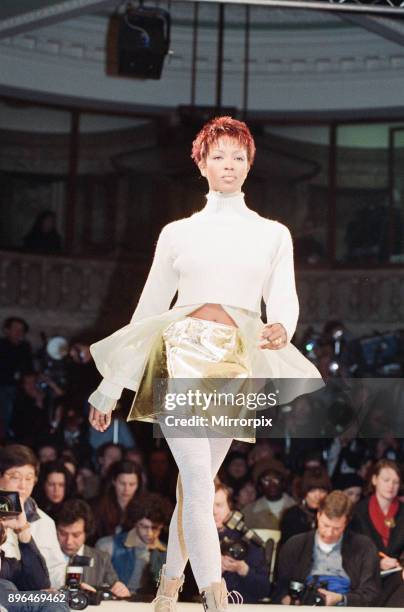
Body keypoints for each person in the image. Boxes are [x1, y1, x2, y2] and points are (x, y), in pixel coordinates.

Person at [87, 116, 323, 611]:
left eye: (239, 156)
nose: (230, 165)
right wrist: (111, 385)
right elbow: (148, 309)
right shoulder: (177, 233)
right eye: (219, 156)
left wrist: (283, 325)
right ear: (201, 163)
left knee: (194, 487)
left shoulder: (272, 234)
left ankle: (170, 583)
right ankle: (216, 594)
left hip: (235, 361)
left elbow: (284, 299)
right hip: (180, 352)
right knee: (197, 480)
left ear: (249, 162)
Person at [273, 490, 380, 606]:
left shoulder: (364, 547)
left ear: (347, 523)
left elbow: (371, 593)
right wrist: (286, 598)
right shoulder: (295, 545)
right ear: (318, 515)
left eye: (337, 528)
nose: (329, 533)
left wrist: (341, 598)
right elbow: (279, 586)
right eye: (325, 525)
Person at [0, 445, 66, 588]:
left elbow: (54, 575)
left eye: (29, 478)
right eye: (15, 477)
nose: (22, 485)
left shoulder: (46, 522)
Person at [350, 459, 404, 605]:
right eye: (386, 480)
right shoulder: (358, 512)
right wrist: (377, 562)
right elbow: (351, 551)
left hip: (399, 579)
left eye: (396, 482)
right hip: (366, 578)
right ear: (374, 479)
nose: (391, 486)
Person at [96, 493, 169, 596]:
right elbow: (95, 583)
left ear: (162, 526)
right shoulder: (108, 545)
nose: (149, 533)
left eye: (155, 527)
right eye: (143, 526)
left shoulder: (168, 553)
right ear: (135, 522)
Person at [56, 499, 130, 597]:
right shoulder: (45, 556)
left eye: (76, 535)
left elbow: (116, 587)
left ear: (86, 533)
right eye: (63, 534)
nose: (69, 541)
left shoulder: (101, 559)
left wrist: (121, 590)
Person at [213, 483, 270, 603]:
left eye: (219, 505)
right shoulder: (195, 541)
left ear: (230, 507)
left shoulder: (247, 540)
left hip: (243, 604)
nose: (214, 511)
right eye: (208, 506)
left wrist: (243, 570)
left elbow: (264, 589)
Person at [90, 460, 143, 541]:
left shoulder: (144, 507)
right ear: (114, 481)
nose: (127, 489)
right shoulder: (97, 506)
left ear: (138, 485)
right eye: (122, 483)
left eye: (132, 484)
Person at [279, 467, 331, 547]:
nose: (317, 496)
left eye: (322, 491)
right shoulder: (292, 515)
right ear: (304, 491)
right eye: (312, 490)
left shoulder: (332, 515)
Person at [0, 316, 33, 438]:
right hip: (4, 387)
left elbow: (28, 370)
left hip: (20, 388)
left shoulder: (25, 347)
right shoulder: (2, 345)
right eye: (15, 329)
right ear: (7, 330)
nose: (19, 332)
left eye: (21, 330)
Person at [241, 459, 294, 530]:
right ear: (259, 486)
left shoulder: (297, 508)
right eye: (266, 480)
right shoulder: (248, 512)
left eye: (276, 479)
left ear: (283, 482)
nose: (272, 484)